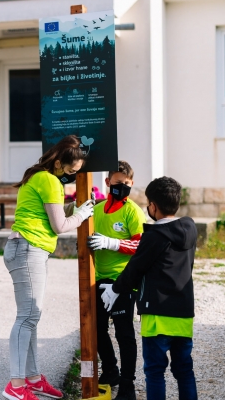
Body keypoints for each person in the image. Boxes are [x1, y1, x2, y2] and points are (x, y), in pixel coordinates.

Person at [2, 135, 95, 400]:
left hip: (26, 248)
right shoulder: (51, 181)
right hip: (28, 249)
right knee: (27, 317)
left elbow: (47, 212)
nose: (72, 176)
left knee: (31, 317)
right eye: (71, 171)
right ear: (59, 163)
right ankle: (16, 386)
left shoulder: (39, 176)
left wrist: (75, 209)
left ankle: (31, 378)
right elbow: (60, 225)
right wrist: (81, 214)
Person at [100, 176, 198, 400]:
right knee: (184, 370)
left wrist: (115, 289)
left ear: (153, 206)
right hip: (183, 313)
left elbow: (135, 269)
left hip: (156, 315)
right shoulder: (190, 228)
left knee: (155, 372)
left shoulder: (154, 237)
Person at [86, 160, 147, 400]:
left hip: (122, 281)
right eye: (117, 182)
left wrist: (112, 243)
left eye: (126, 183)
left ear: (131, 184)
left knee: (124, 333)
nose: (121, 186)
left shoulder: (132, 210)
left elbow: (142, 245)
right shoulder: (98, 210)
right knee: (98, 331)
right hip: (97, 280)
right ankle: (111, 370)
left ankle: (128, 384)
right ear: (107, 182)